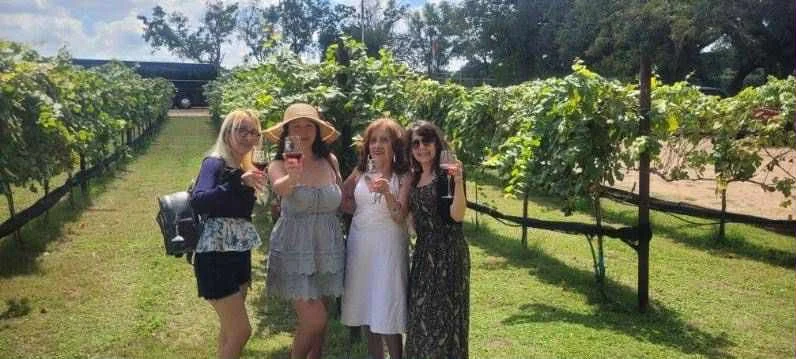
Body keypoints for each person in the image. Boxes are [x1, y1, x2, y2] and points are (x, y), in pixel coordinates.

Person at [263, 103, 344, 359]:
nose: (303, 130)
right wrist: (293, 176)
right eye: (295, 126)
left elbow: (341, 194)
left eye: (309, 125)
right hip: (295, 248)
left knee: (322, 316)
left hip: (327, 246)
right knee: (314, 320)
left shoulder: (330, 161)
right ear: (286, 133)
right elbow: (280, 189)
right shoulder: (278, 163)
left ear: (318, 130)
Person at [190, 109, 267, 359]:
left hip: (239, 253)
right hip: (215, 256)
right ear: (227, 132)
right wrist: (237, 183)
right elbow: (199, 201)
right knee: (241, 331)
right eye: (241, 130)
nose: (248, 136)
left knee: (229, 330)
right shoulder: (215, 163)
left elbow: (241, 213)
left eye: (253, 132)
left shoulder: (245, 166)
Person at [340, 118, 411, 359]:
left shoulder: (404, 175)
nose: (377, 145)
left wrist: (387, 194)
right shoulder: (361, 170)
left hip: (389, 246)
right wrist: (359, 212)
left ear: (395, 146)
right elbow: (342, 196)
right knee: (366, 309)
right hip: (361, 244)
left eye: (384, 140)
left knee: (387, 306)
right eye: (373, 140)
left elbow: (400, 216)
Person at [403, 121, 469, 359]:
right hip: (423, 255)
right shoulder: (415, 177)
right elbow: (411, 221)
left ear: (436, 143)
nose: (422, 148)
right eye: (415, 143)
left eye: (427, 141)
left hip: (448, 254)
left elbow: (458, 215)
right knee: (420, 314)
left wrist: (459, 181)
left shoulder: (447, 174)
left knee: (445, 318)